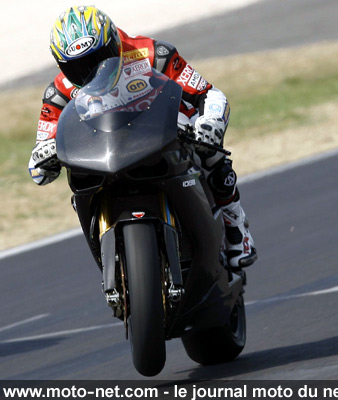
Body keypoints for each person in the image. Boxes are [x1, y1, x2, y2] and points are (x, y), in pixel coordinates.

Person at [28, 5, 257, 268]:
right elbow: (38, 168)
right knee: (78, 182)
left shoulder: (153, 53)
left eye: (100, 57)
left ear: (114, 42)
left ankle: (236, 225)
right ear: (62, 65)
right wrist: (44, 156)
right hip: (103, 153)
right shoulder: (58, 92)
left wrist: (210, 122)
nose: (91, 71)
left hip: (159, 134)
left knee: (211, 153)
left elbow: (208, 93)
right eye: (77, 67)